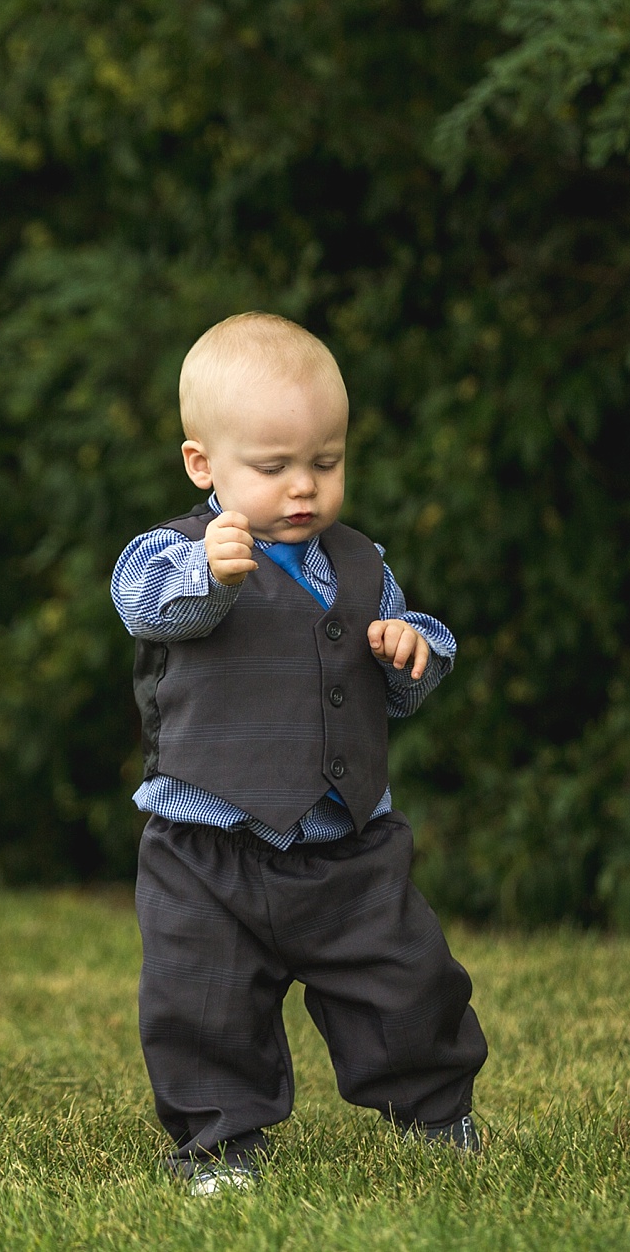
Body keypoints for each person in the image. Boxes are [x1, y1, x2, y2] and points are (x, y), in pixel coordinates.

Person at [112, 311, 487, 1196]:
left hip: (344, 840)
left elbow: (401, 673)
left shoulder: (359, 566)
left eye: (326, 461)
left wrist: (411, 648)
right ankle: (219, 1146)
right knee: (203, 1003)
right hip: (208, 842)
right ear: (204, 465)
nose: (304, 489)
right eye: (274, 468)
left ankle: (437, 1113)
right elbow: (148, 606)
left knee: (407, 981)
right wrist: (210, 569)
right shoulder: (173, 552)